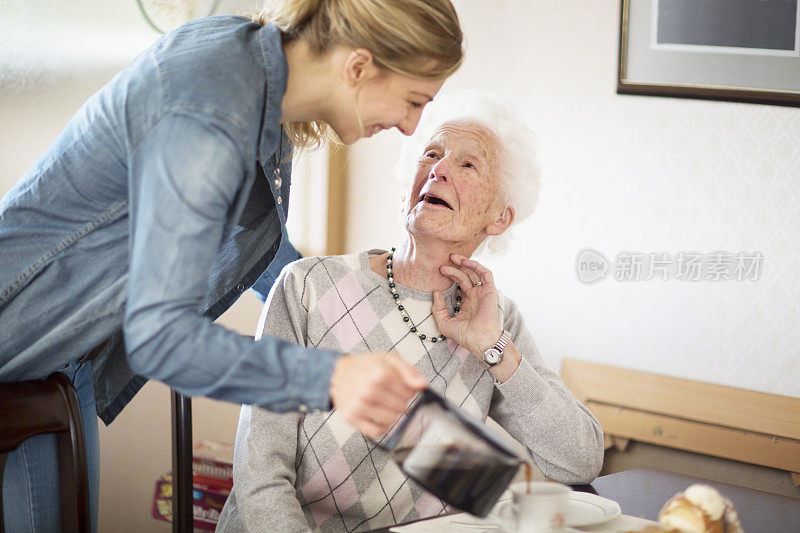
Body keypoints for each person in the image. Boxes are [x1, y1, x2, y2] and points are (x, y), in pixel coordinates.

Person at [0, 1, 463, 530]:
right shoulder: (213, 109)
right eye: (413, 100)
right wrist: (334, 378)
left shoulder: (258, 85)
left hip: (66, 364)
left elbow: (266, 259)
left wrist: (359, 332)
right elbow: (159, 338)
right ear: (358, 66)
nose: (411, 127)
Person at [216, 92, 605, 533]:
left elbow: (579, 461)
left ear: (499, 218)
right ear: (407, 188)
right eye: (432, 154)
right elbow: (260, 470)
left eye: (467, 165)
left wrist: (494, 350)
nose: (438, 169)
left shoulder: (495, 320)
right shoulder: (308, 285)